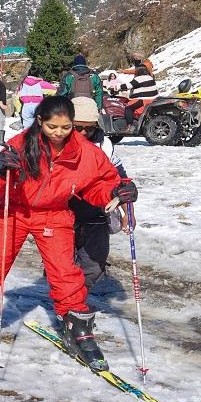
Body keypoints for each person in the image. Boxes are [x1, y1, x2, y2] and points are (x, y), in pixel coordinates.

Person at [0, 95, 138, 371]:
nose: (59, 133)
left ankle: (77, 325)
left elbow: (99, 185)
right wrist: (0, 170)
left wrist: (117, 191)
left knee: (66, 273)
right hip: (15, 211)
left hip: (54, 214)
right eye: (52, 127)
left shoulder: (86, 153)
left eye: (66, 127)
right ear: (40, 122)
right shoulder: (21, 144)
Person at [69, 97, 128, 291]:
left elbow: (120, 178)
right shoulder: (57, 140)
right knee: (62, 268)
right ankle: (67, 307)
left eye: (90, 128)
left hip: (96, 213)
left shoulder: (105, 144)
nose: (84, 133)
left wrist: (127, 209)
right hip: (62, 213)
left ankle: (77, 302)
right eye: (78, 128)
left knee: (93, 268)